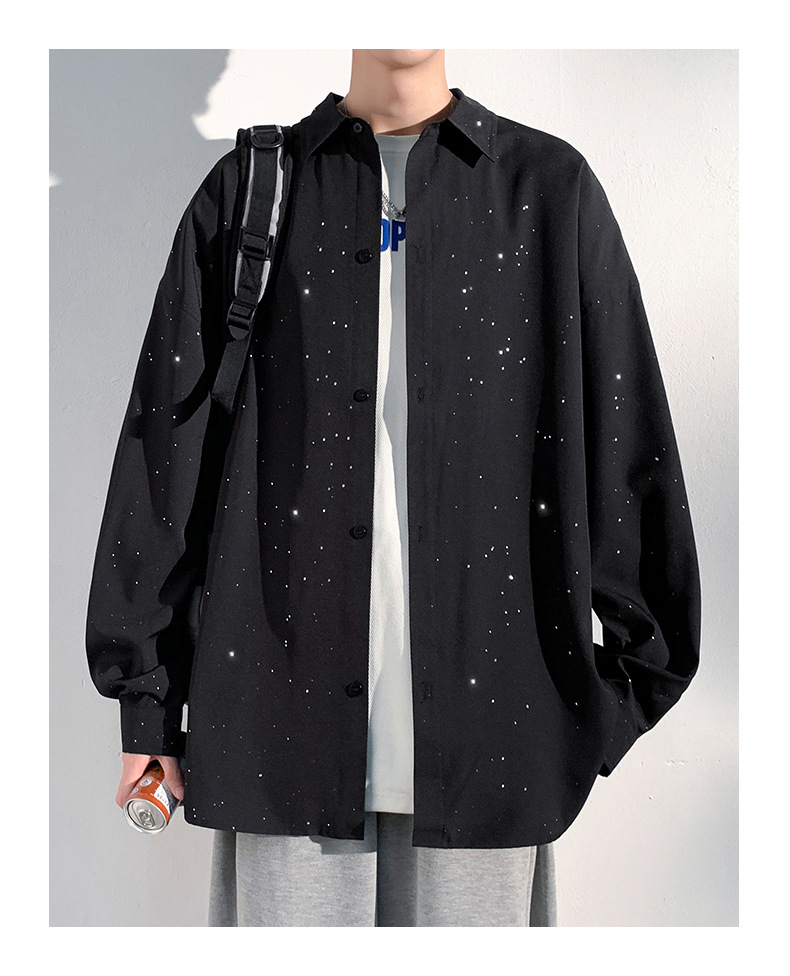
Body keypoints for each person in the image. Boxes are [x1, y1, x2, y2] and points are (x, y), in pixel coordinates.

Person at [86, 49, 701, 926]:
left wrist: (585, 719)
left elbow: (630, 455)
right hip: (284, 752)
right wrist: (146, 708)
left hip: (490, 768)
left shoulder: (548, 192)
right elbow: (164, 459)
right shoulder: (252, 192)